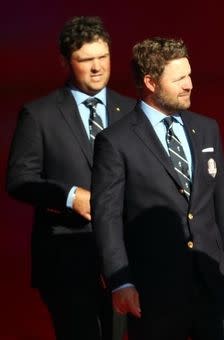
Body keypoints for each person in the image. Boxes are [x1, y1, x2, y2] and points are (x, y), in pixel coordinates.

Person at [91, 37, 224, 340]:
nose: (190, 84)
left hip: (214, 283)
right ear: (150, 82)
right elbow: (107, 217)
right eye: (179, 79)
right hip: (155, 291)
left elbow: (223, 204)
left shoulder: (206, 129)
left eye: (189, 75)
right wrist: (121, 282)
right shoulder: (116, 141)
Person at [6, 16, 135, 340]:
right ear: (64, 61)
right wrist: (69, 196)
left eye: (102, 57)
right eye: (85, 59)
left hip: (127, 254)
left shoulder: (131, 110)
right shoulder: (39, 114)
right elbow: (20, 179)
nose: (97, 67)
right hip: (67, 257)